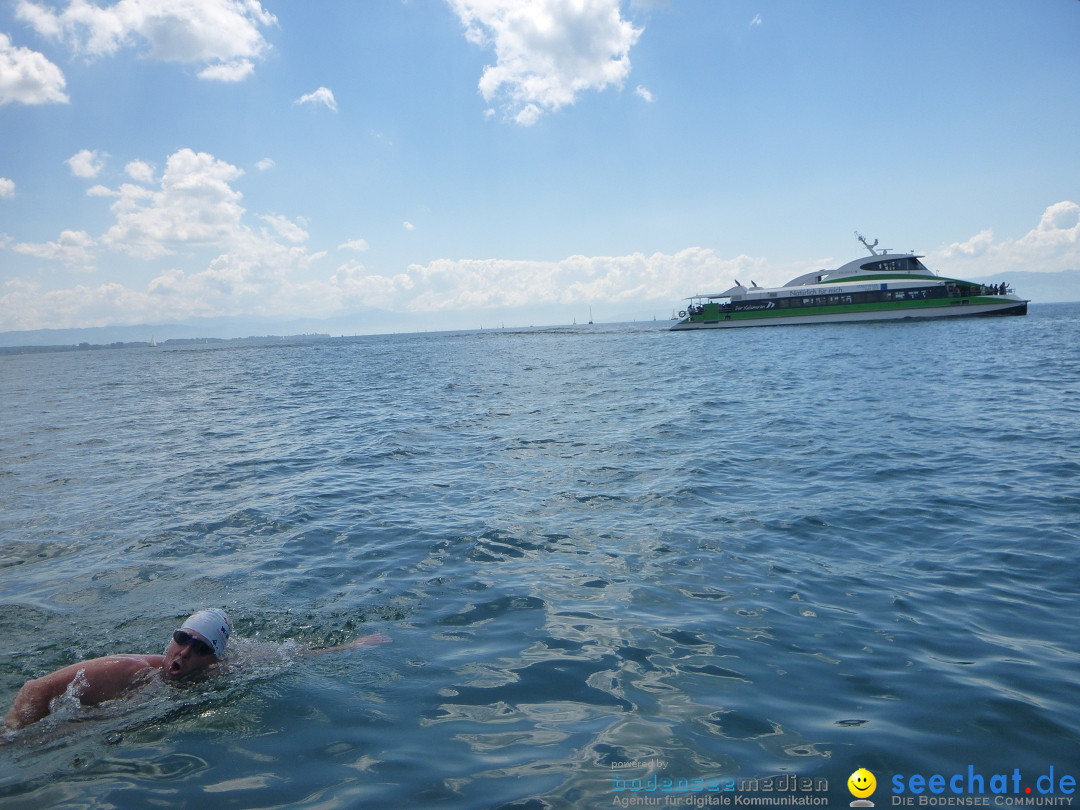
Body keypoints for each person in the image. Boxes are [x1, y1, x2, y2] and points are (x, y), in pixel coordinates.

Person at [4, 609, 389, 730]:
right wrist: (15, 737)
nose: (185, 654)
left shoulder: (221, 673)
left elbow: (290, 655)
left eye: (200, 649)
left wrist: (350, 647)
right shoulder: (124, 669)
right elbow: (34, 689)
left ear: (214, 659)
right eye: (181, 639)